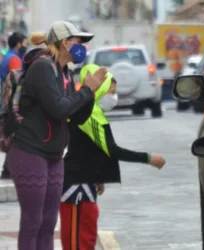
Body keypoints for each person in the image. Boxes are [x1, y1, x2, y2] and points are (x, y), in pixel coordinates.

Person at [7, 21, 108, 250]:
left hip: (54, 154)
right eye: (79, 41)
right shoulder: (43, 68)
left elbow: (75, 116)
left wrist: (91, 93)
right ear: (65, 43)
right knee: (33, 221)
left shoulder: (65, 73)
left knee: (49, 222)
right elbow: (59, 108)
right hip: (29, 151)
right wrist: (86, 90)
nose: (82, 46)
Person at [60, 64, 166, 249]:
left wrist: (97, 176)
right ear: (99, 88)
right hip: (77, 187)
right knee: (79, 242)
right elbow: (112, 150)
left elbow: (90, 148)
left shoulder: (93, 112)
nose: (114, 97)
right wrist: (148, 158)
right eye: (111, 91)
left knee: (86, 238)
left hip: (85, 183)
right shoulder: (89, 115)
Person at [0, 31, 28, 179]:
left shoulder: (7, 57)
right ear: (18, 44)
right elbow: (16, 83)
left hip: (5, 100)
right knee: (15, 134)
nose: (25, 46)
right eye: (24, 43)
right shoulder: (15, 60)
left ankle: (8, 168)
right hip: (11, 102)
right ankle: (9, 169)